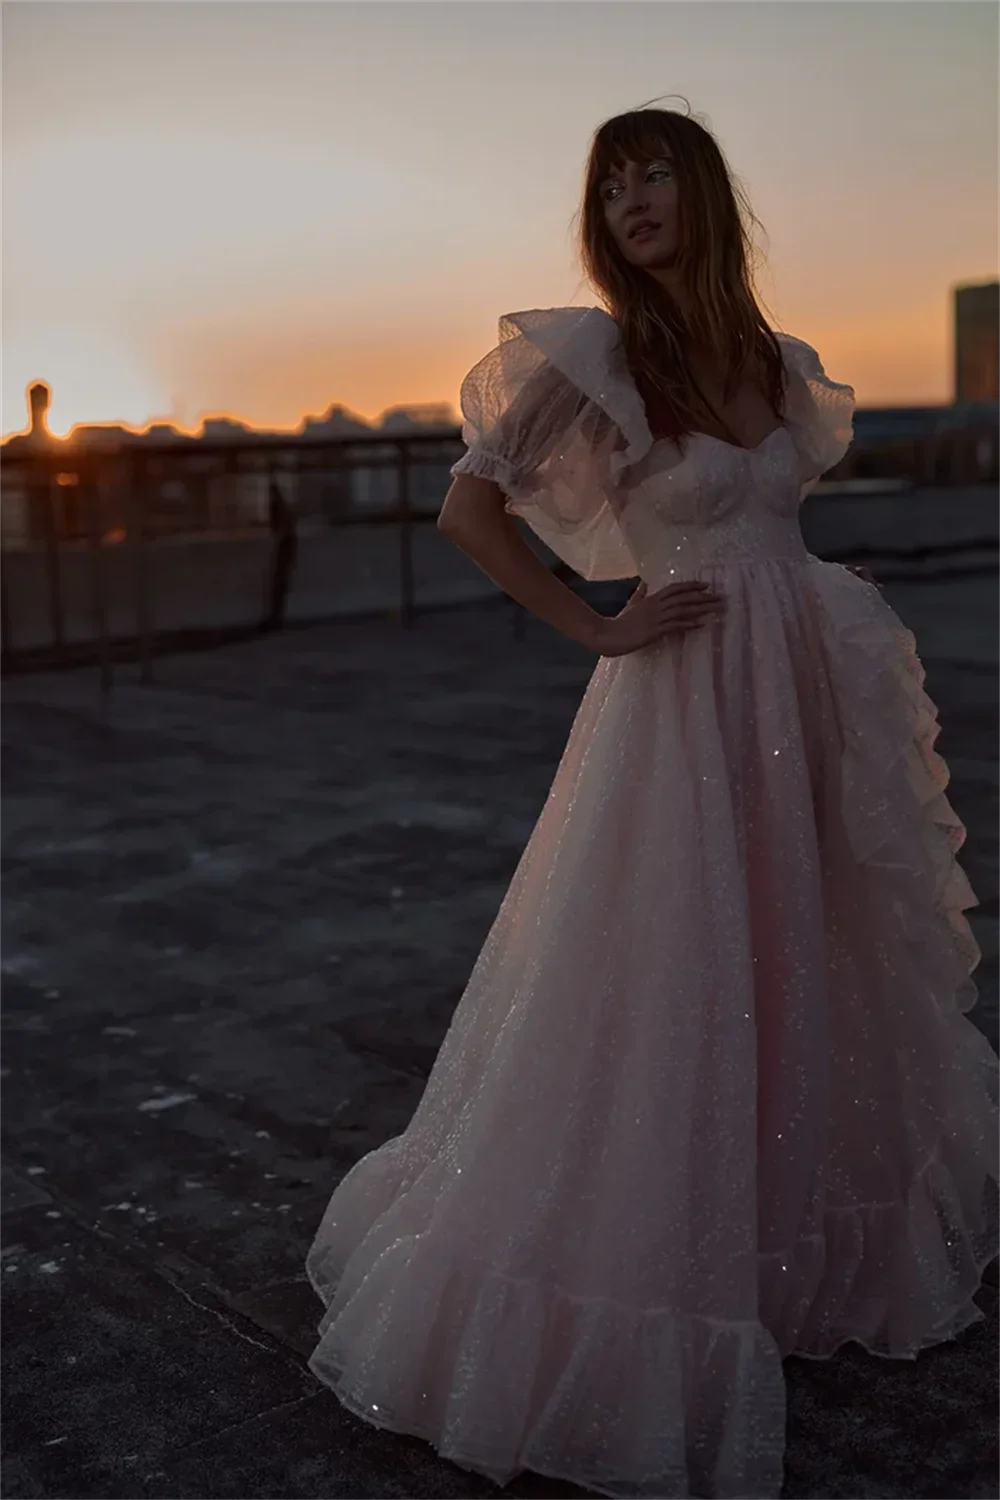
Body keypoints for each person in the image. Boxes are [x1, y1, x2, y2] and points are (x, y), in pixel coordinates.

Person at [305, 105, 1000, 1499]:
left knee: (808, 951)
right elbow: (468, 512)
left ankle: (784, 1246)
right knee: (675, 968)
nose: (630, 200)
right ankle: (647, 1267)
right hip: (682, 694)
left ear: (703, 192)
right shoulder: (599, 356)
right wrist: (596, 626)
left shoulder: (773, 360)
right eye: (609, 183)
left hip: (800, 686)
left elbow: (773, 524)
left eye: (653, 174)